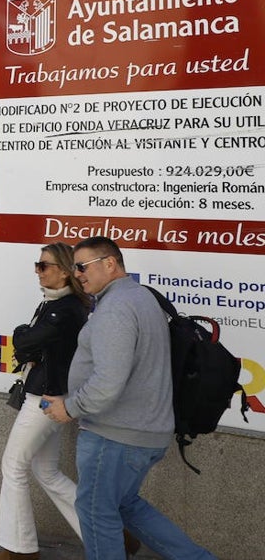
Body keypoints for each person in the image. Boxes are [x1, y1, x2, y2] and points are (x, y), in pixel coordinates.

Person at [43, 236, 216, 560]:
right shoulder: (141, 297)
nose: (77, 273)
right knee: (125, 505)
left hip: (115, 436)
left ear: (110, 263)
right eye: (74, 267)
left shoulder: (116, 308)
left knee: (96, 513)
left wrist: (70, 407)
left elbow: (109, 381)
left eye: (82, 266)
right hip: (143, 432)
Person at [0, 242, 89, 560]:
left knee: (13, 465)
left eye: (44, 265)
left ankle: (20, 549)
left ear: (64, 271)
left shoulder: (66, 309)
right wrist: (27, 336)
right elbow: (30, 342)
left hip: (47, 397)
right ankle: (107, 532)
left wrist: (24, 334)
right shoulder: (54, 304)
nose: (37, 271)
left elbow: (27, 339)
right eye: (37, 264)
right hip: (49, 393)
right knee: (47, 472)